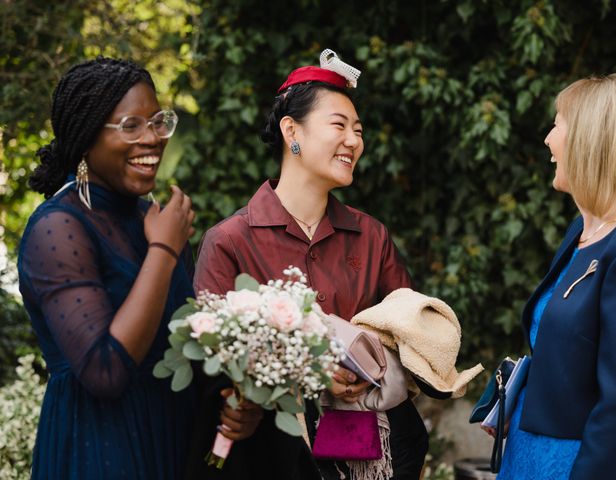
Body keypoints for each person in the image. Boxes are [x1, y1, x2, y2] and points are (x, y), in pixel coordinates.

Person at [186, 50, 429, 479]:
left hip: (368, 451)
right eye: (339, 125)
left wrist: (364, 363)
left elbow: (408, 339)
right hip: (267, 458)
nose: (354, 140)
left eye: (358, 130)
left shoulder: (371, 236)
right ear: (291, 131)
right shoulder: (230, 241)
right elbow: (211, 366)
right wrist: (307, 373)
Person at [18, 56, 196, 479]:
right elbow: (105, 370)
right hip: (99, 447)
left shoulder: (152, 220)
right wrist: (164, 252)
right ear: (85, 138)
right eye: (130, 126)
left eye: (157, 122)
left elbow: (184, 340)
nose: (152, 138)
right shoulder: (57, 227)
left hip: (175, 440)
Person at [492, 73, 616, 479]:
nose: (547, 140)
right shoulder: (582, 231)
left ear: (589, 139)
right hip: (528, 449)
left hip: (581, 460)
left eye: (558, 123)